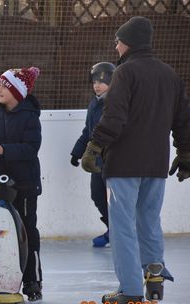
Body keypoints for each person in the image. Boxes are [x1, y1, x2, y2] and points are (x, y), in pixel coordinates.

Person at [81, 16, 190, 304]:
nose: (116, 47)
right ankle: (155, 278)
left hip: (123, 164)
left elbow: (114, 118)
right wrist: (185, 153)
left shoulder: (125, 73)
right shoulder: (169, 74)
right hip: (156, 165)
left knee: (122, 228)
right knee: (149, 220)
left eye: (117, 41)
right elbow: (182, 120)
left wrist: (94, 147)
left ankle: (130, 290)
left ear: (127, 42)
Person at [0, 66, 43, 301]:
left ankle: (31, 280)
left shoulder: (30, 118)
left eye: (4, 85)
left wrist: (4, 149)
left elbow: (31, 148)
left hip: (24, 185)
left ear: (16, 90)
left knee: (26, 232)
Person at [71, 62, 115, 248]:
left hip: (113, 161)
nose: (97, 85)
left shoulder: (115, 103)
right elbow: (87, 132)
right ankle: (113, 230)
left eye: (102, 81)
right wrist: (77, 152)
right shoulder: (94, 103)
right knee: (97, 196)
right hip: (95, 161)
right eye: (95, 81)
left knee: (117, 199)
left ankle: (123, 232)